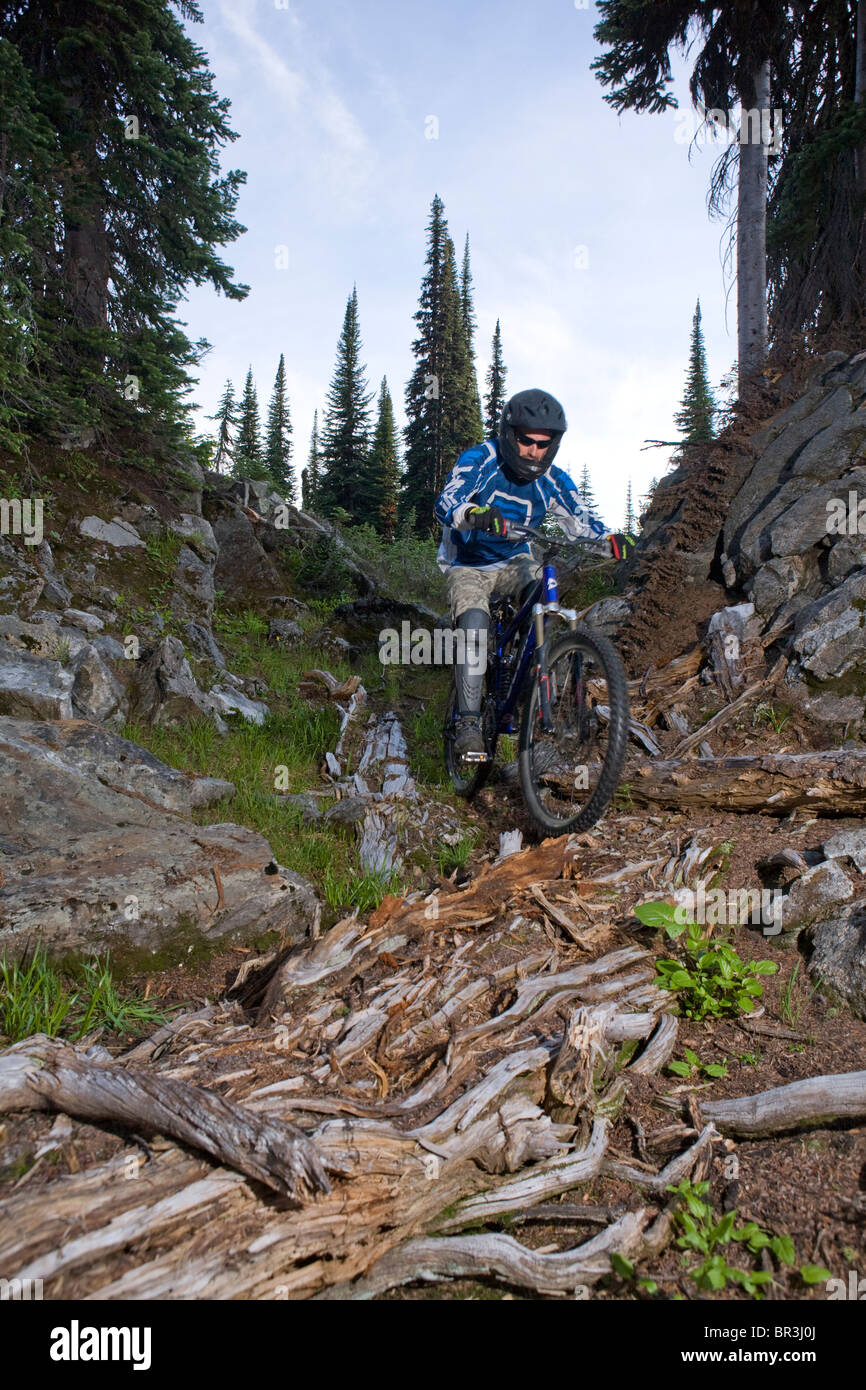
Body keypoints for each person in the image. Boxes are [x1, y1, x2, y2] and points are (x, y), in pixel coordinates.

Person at [434, 388, 632, 758]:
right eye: (526, 440)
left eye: (544, 444)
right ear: (510, 435)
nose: (534, 451)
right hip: (469, 562)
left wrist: (610, 540)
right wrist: (472, 514)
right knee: (474, 620)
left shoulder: (552, 480)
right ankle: (469, 722)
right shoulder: (482, 458)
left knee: (544, 592)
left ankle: (533, 690)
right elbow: (448, 499)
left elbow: (580, 520)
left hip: (516, 560)